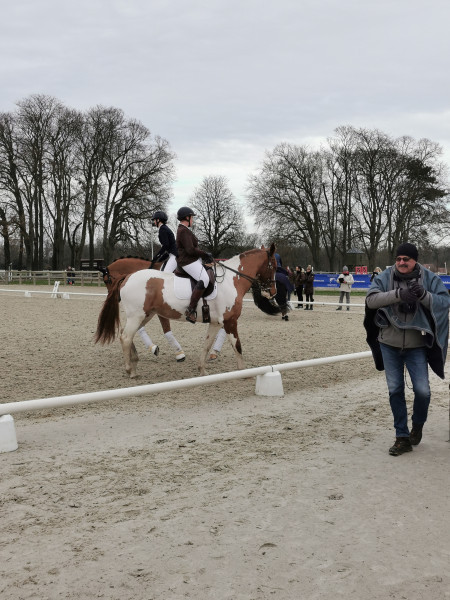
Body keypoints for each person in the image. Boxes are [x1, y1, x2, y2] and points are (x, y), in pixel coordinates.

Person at [364, 242, 450, 456]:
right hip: (388, 344)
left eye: (406, 259)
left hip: (416, 346)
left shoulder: (430, 278)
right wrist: (399, 294)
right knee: (395, 390)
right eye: (398, 258)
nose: (401, 262)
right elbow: (371, 300)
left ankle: (417, 426)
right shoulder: (385, 276)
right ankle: (401, 437)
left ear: (415, 260)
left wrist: (424, 296)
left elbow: (444, 301)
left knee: (423, 391)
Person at [176, 206, 214, 323]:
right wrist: (205, 254)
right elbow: (190, 250)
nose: (193, 220)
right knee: (204, 279)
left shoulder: (184, 230)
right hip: (187, 261)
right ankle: (191, 309)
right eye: (192, 217)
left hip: (192, 260)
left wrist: (204, 256)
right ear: (187, 218)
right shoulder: (183, 231)